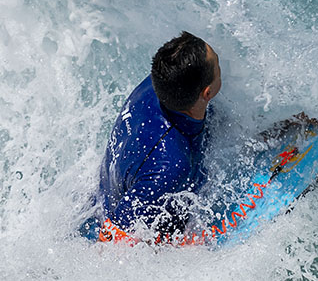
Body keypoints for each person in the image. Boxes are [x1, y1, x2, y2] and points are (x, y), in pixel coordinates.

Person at [93, 31, 222, 244]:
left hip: (114, 183)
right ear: (207, 92)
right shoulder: (170, 166)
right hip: (127, 217)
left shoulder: (162, 81)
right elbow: (107, 244)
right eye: (218, 66)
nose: (221, 66)